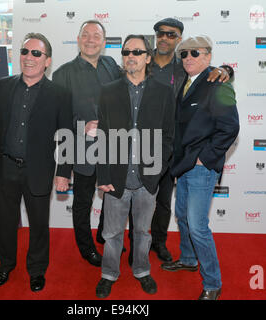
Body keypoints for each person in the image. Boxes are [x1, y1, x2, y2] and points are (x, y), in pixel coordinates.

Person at [0, 32, 73, 292]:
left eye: (36, 53)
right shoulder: (5, 85)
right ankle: (6, 264)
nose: (28, 57)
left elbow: (67, 136)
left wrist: (63, 172)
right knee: (6, 222)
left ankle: (36, 270)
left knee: (39, 225)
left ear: (47, 61)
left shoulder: (60, 94)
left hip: (39, 170)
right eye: (24, 51)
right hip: (6, 166)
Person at [146, 18, 233, 263]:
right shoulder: (145, 60)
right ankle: (175, 256)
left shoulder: (189, 71)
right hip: (147, 145)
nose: (188, 57)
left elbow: (229, 127)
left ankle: (161, 245)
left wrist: (225, 70)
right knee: (154, 206)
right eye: (161, 33)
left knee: (169, 206)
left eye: (172, 35)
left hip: (183, 156)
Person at [95, 35, 175, 299]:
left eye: (137, 51)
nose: (131, 56)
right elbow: (103, 136)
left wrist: (156, 170)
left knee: (142, 232)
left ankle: (141, 270)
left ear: (148, 57)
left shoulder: (164, 91)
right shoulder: (109, 91)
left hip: (147, 179)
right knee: (112, 232)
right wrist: (103, 175)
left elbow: (168, 136)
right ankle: (109, 274)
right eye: (126, 51)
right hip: (116, 178)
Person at [161, 35, 239, 300]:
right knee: (182, 216)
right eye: (184, 54)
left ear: (208, 55)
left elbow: (230, 127)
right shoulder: (186, 81)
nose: (188, 58)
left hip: (200, 168)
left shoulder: (217, 84)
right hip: (182, 165)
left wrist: (204, 159)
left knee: (197, 226)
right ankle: (188, 258)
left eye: (195, 53)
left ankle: (212, 282)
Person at [52, 20, 120, 267]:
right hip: (82, 150)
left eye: (97, 36)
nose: (91, 39)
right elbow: (58, 121)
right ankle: (86, 248)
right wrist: (83, 128)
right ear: (78, 39)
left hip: (114, 149)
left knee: (113, 198)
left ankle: (104, 235)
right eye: (86, 35)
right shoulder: (63, 74)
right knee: (82, 202)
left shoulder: (112, 65)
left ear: (103, 41)